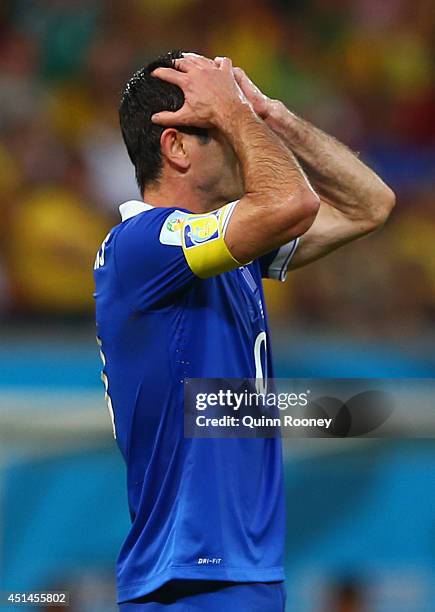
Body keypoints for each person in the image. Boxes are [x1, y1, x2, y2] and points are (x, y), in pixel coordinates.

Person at [93, 50, 394, 611]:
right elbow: (292, 202)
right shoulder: (144, 246)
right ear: (175, 146)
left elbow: (369, 205)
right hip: (192, 574)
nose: (243, 138)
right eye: (223, 127)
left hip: (241, 570)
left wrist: (271, 115)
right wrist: (237, 112)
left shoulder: (229, 251)